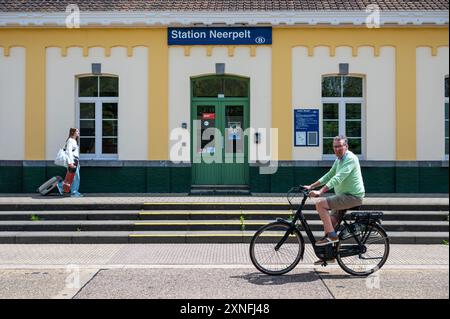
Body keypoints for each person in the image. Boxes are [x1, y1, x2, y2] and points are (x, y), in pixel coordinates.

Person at [304, 135, 365, 254]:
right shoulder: (339, 160)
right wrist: (311, 186)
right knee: (330, 223)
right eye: (335, 147)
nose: (337, 149)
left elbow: (338, 177)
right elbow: (329, 175)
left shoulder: (350, 158)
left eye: (340, 146)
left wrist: (320, 192)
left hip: (352, 197)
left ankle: (332, 236)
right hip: (343, 196)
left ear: (346, 146)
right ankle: (329, 254)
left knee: (320, 204)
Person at [57, 128, 83, 197]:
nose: (78, 132)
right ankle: (74, 192)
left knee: (73, 177)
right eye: (77, 131)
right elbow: (69, 152)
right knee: (75, 177)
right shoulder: (70, 140)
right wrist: (70, 163)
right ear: (73, 132)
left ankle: (61, 187)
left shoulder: (74, 140)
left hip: (75, 160)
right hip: (73, 161)